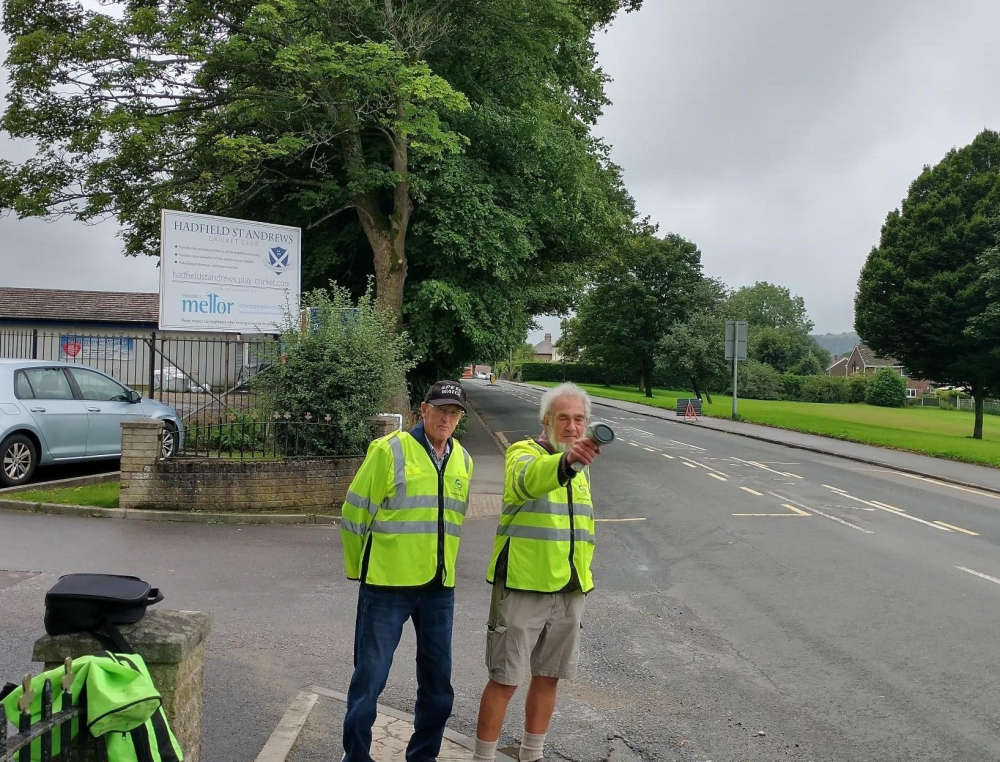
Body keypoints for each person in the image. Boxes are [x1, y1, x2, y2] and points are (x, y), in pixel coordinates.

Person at [340, 380, 474, 762]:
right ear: (423, 410)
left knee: (438, 685)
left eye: (454, 413)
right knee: (370, 679)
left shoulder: (463, 460)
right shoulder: (389, 450)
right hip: (387, 586)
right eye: (441, 410)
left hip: (438, 588)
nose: (447, 418)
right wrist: (360, 569)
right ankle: (357, 757)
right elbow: (353, 514)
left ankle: (423, 756)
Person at [472, 382, 602, 762]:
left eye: (580, 419)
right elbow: (529, 481)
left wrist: (582, 575)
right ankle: (483, 758)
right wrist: (566, 463)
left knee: (548, 678)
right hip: (522, 587)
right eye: (564, 418)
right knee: (505, 679)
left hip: (569, 588)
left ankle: (532, 755)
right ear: (546, 420)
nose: (573, 426)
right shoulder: (522, 453)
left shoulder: (582, 468)